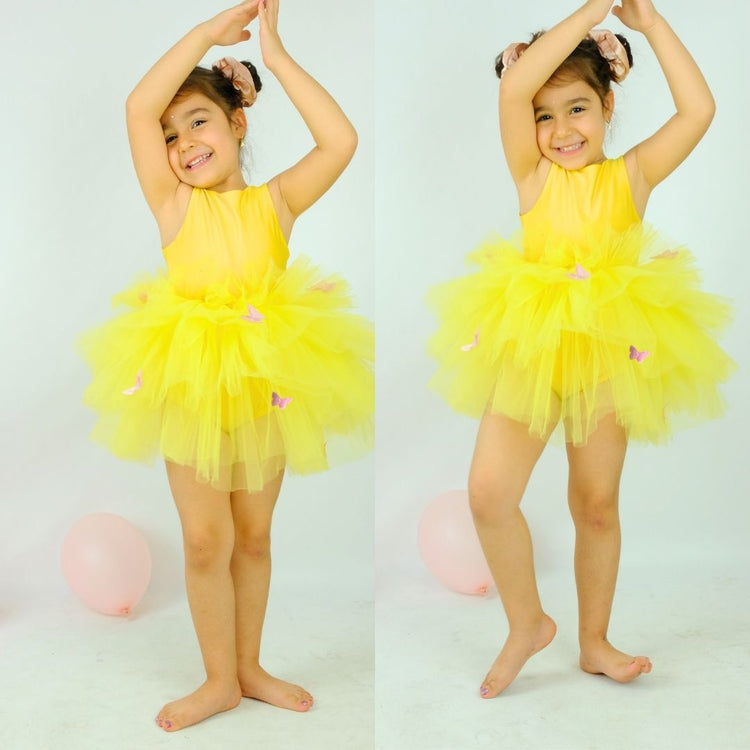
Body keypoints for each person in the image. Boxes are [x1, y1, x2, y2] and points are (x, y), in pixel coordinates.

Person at [79, 0, 373, 731]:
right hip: (190, 378)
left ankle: (248, 666)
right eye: (172, 136)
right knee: (207, 537)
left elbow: (340, 140)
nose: (184, 143)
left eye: (200, 122)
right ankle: (217, 679)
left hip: (266, 383)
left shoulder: (276, 202)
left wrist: (274, 57)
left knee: (255, 533)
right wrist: (206, 36)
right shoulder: (173, 203)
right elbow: (137, 104)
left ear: (238, 123)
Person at [428, 0, 734, 699]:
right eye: (545, 116)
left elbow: (699, 110)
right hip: (532, 344)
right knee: (489, 494)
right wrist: (592, 9)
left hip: (607, 349)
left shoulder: (631, 176)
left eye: (577, 109)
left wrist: (649, 24)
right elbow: (512, 89)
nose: (561, 130)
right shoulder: (532, 178)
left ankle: (593, 640)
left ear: (607, 106)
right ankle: (526, 621)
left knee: (595, 501)